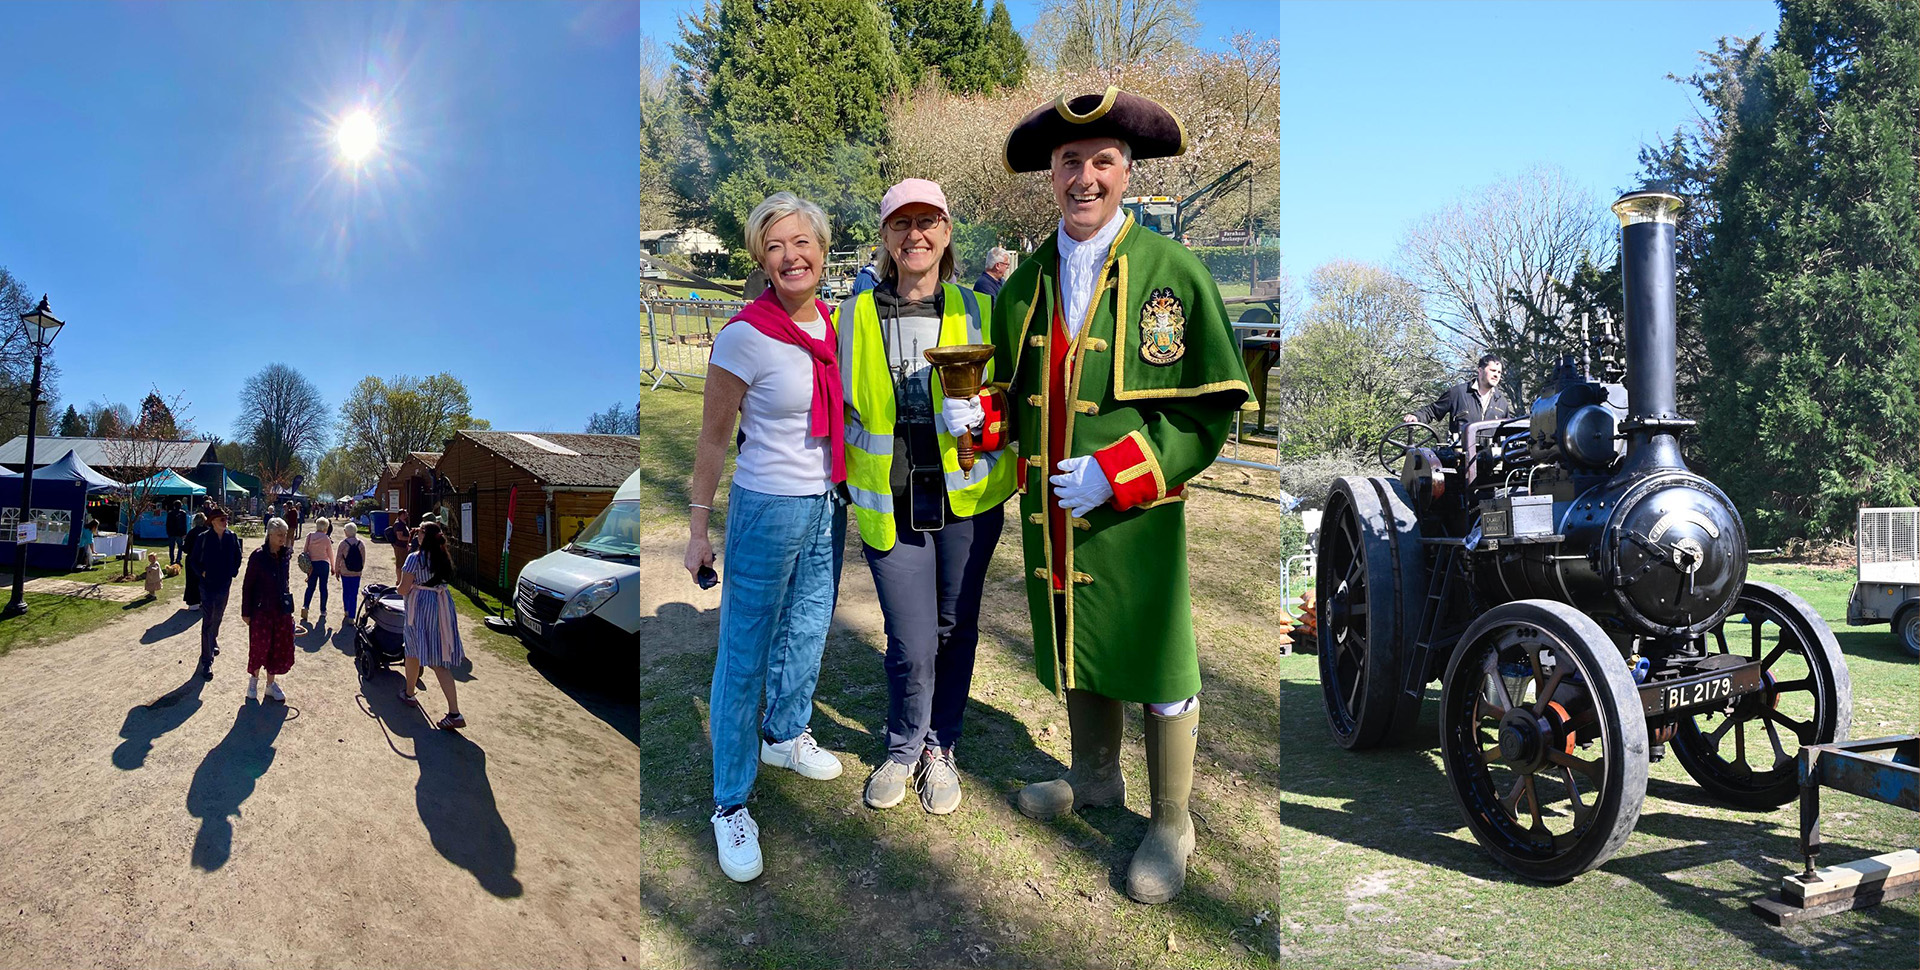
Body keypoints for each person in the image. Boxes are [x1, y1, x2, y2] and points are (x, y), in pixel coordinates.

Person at [993, 87, 1252, 905]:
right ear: (1051, 175)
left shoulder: (1174, 274)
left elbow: (1205, 415)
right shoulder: (1023, 283)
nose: (1085, 177)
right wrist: (979, 415)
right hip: (1054, 514)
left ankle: (1173, 821)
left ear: (1128, 172)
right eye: (1070, 161)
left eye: (1102, 161)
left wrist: (1119, 471)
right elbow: (1010, 400)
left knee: (1161, 661)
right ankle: (1096, 778)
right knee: (1079, 639)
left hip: (1138, 518)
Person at [835, 178, 1016, 816]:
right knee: (911, 640)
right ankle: (903, 746)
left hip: (968, 500)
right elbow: (831, 403)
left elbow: (1016, 399)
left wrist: (987, 414)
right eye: (901, 223)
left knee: (955, 628)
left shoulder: (983, 307)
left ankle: (941, 746)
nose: (915, 234)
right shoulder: (850, 315)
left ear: (946, 231)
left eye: (928, 221)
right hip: (890, 499)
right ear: (885, 236)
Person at [685, 191, 849, 884]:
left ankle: (784, 734)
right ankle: (730, 802)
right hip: (765, 508)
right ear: (761, 259)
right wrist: (698, 527)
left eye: (801, 242)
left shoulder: (837, 326)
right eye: (775, 246)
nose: (790, 256)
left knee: (808, 628)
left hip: (827, 501)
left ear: (822, 250)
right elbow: (713, 439)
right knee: (744, 653)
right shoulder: (743, 335)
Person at [399, 521, 467, 730]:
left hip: (421, 606)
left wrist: (399, 587)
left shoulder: (415, 558)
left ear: (424, 536)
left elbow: (403, 588)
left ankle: (414, 695)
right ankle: (448, 708)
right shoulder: (442, 557)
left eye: (419, 531)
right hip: (442, 605)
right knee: (435, 656)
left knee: (416, 651)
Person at [239, 517, 297, 703]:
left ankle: (270, 685)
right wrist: (246, 612)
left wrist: (288, 608)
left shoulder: (285, 556)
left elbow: (285, 582)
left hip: (280, 611)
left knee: (277, 648)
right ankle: (253, 681)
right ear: (270, 534)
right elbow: (248, 585)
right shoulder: (258, 556)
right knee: (259, 647)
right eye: (279, 534)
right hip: (261, 610)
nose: (283, 538)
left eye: (284, 534)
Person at [1401, 352, 1514, 437]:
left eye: (1499, 372)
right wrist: (1416, 417)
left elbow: (1509, 431)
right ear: (1480, 371)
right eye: (1493, 371)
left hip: (1491, 459)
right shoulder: (1458, 393)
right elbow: (1432, 410)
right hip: (1460, 457)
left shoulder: (1501, 402)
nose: (1496, 375)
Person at [194, 505, 244, 681]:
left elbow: (238, 556)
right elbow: (193, 560)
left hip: (224, 584)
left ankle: (213, 640)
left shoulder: (232, 537)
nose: (225, 521)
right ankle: (206, 661)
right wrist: (202, 573)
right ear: (213, 522)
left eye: (226, 518)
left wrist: (233, 572)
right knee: (207, 620)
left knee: (218, 615)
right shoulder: (203, 538)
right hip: (207, 585)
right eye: (222, 519)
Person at [300, 516, 334, 628]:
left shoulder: (310, 536)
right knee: (323, 588)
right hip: (323, 564)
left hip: (312, 565)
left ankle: (305, 606)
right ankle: (323, 610)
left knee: (310, 587)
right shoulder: (326, 538)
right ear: (326, 527)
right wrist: (333, 567)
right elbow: (330, 553)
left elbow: (305, 551)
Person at [337, 521, 366, 622]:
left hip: (345, 572)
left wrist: (337, 570)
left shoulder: (343, 544)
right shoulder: (361, 544)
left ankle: (346, 610)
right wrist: (360, 568)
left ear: (346, 532)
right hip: (356, 573)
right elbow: (363, 559)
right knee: (354, 594)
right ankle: (352, 617)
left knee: (346, 592)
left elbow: (338, 558)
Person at [182, 511, 210, 610]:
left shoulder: (191, 533)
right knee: (205, 581)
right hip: (205, 560)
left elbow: (186, 549)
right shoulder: (209, 532)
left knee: (191, 581)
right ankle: (204, 601)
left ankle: (193, 603)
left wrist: (182, 546)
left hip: (192, 560)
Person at [165, 499, 188, 565]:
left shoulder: (170, 513)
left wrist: (168, 532)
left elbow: (167, 524)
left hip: (172, 532)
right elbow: (184, 524)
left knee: (171, 547)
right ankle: (178, 560)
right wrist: (184, 533)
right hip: (179, 533)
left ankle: (172, 560)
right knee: (180, 547)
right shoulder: (183, 513)